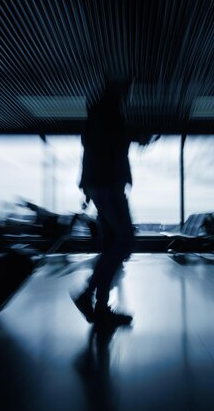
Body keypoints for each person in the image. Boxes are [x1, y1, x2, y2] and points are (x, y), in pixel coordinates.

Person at [71, 77, 148, 327]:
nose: (130, 94)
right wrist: (137, 135)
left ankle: (100, 307)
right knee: (124, 241)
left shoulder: (98, 112)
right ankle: (87, 295)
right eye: (128, 89)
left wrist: (87, 189)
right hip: (108, 185)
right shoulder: (108, 111)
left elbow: (96, 146)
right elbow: (112, 141)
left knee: (112, 245)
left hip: (99, 185)